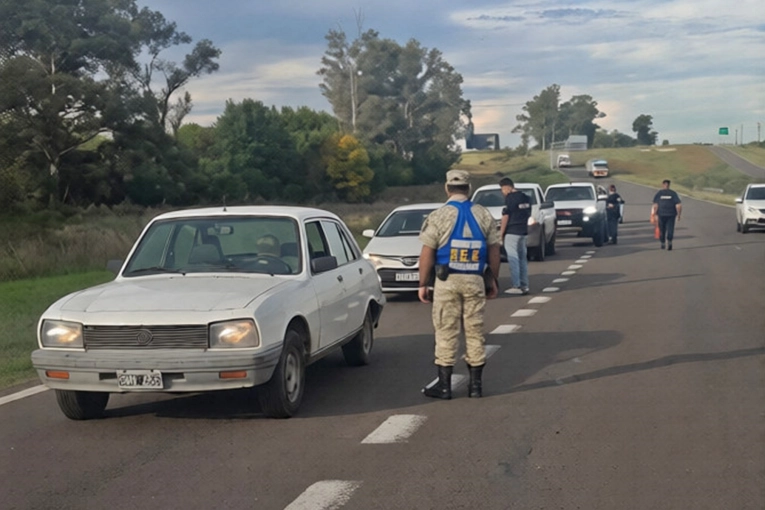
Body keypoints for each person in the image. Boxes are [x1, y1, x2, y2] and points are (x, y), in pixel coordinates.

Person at [418, 169, 501, 399]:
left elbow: (427, 252)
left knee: (446, 331)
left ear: (447, 188)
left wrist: (423, 283)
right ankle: (475, 386)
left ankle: (444, 386)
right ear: (469, 189)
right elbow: (494, 250)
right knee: (475, 331)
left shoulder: (438, 216)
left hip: (447, 281)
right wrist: (492, 279)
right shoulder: (483, 214)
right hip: (475, 279)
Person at [499, 177, 531, 295]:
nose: (502, 192)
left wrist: (501, 234)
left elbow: (506, 216)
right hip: (523, 231)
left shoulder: (510, 198)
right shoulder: (526, 198)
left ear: (507, 187)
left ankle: (516, 285)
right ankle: (524, 285)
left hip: (512, 232)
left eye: (502, 189)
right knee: (522, 259)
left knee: (513, 258)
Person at [651, 179, 682, 250]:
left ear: (663, 184)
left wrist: (654, 215)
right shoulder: (673, 193)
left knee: (662, 229)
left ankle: (663, 242)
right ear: (669, 185)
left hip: (661, 214)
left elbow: (655, 205)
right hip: (671, 214)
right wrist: (679, 215)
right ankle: (669, 241)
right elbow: (678, 205)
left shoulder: (659, 193)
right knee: (670, 228)